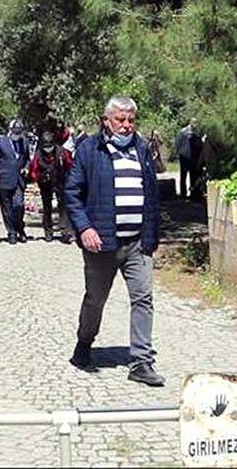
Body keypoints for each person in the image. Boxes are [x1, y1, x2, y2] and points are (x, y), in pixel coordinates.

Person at [64, 95, 164, 387]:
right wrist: (84, 228)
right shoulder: (88, 149)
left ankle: (141, 362)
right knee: (95, 299)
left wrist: (152, 233)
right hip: (101, 243)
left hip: (137, 243)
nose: (126, 126)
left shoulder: (142, 150)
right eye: (120, 120)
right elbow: (71, 192)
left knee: (143, 298)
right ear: (106, 120)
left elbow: (152, 194)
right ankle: (84, 344)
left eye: (131, 120)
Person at [0, 119, 30, 244]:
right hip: (4, 179)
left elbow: (27, 158)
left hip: (19, 179)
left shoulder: (25, 142)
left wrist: (27, 167)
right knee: (7, 208)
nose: (17, 135)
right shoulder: (1, 142)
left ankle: (20, 228)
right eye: (15, 132)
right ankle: (11, 232)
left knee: (19, 205)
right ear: (10, 130)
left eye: (19, 132)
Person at [29, 130, 72, 241]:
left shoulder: (62, 152)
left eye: (50, 146)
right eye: (45, 146)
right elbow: (33, 170)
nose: (48, 149)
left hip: (61, 181)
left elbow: (70, 166)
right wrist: (37, 179)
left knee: (63, 206)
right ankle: (48, 231)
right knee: (47, 207)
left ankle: (65, 231)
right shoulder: (38, 154)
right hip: (45, 183)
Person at [175, 118, 201, 201]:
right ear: (190, 122)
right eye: (193, 122)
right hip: (184, 157)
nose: (195, 124)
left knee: (193, 176)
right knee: (183, 176)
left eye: (196, 122)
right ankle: (183, 195)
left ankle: (194, 194)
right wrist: (180, 152)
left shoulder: (197, 132)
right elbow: (177, 143)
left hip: (194, 157)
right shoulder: (183, 132)